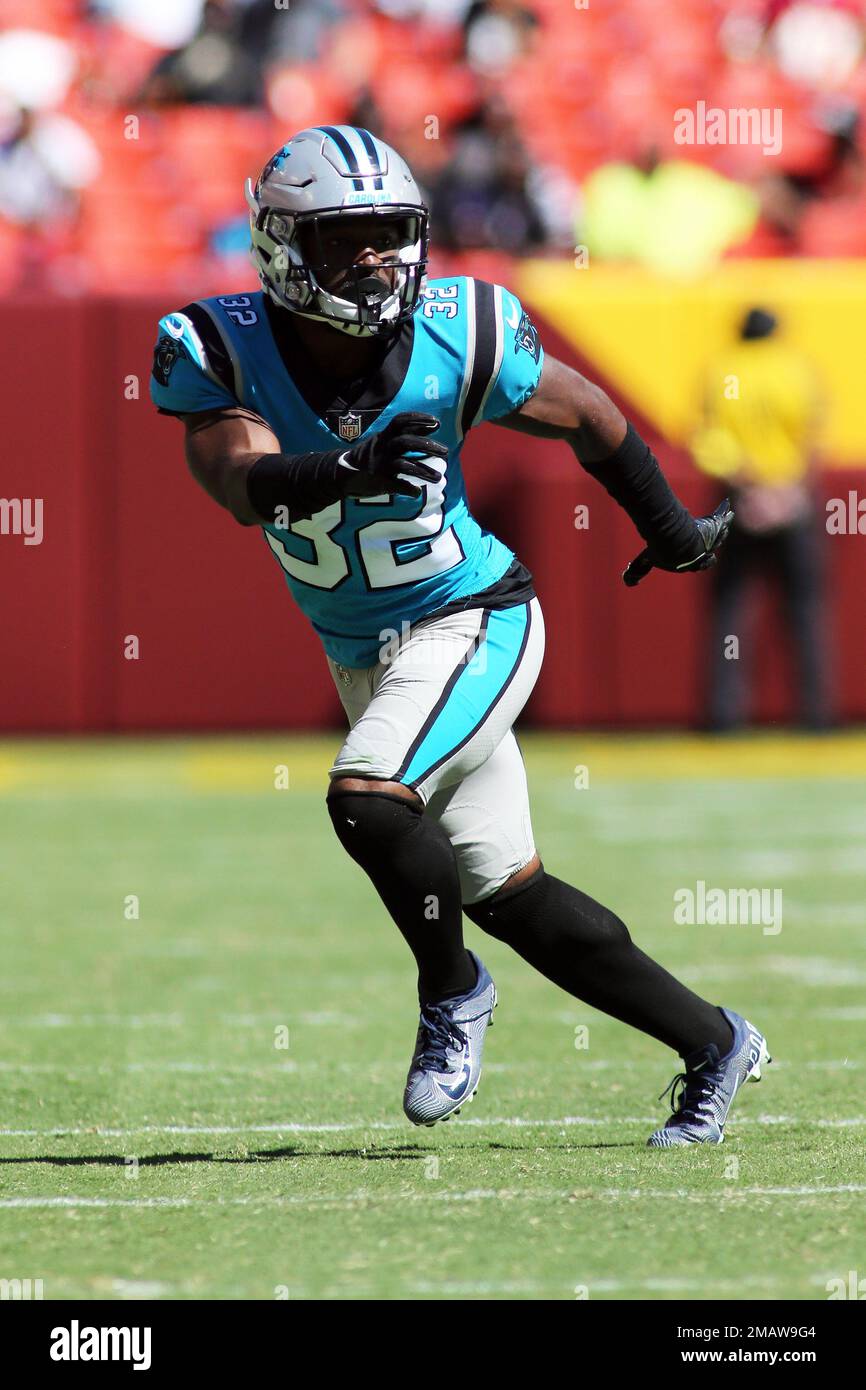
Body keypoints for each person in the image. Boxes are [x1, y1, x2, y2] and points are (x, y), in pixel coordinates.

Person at [150, 125, 770, 1146]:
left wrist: (666, 528)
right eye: (344, 238)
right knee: (508, 890)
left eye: (389, 233)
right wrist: (338, 471)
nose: (373, 258)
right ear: (277, 245)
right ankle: (713, 1042)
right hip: (363, 647)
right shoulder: (217, 344)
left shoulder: (459, 326)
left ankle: (451, 993)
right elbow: (234, 481)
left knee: (365, 795)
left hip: (470, 614)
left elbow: (588, 416)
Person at [692, 307, 831, 730]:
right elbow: (812, 436)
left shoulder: (721, 370)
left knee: (730, 610)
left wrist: (749, 488)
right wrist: (790, 491)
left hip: (741, 500)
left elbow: (708, 439)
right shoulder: (797, 368)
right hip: (792, 497)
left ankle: (724, 717)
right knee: (805, 610)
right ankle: (816, 716)